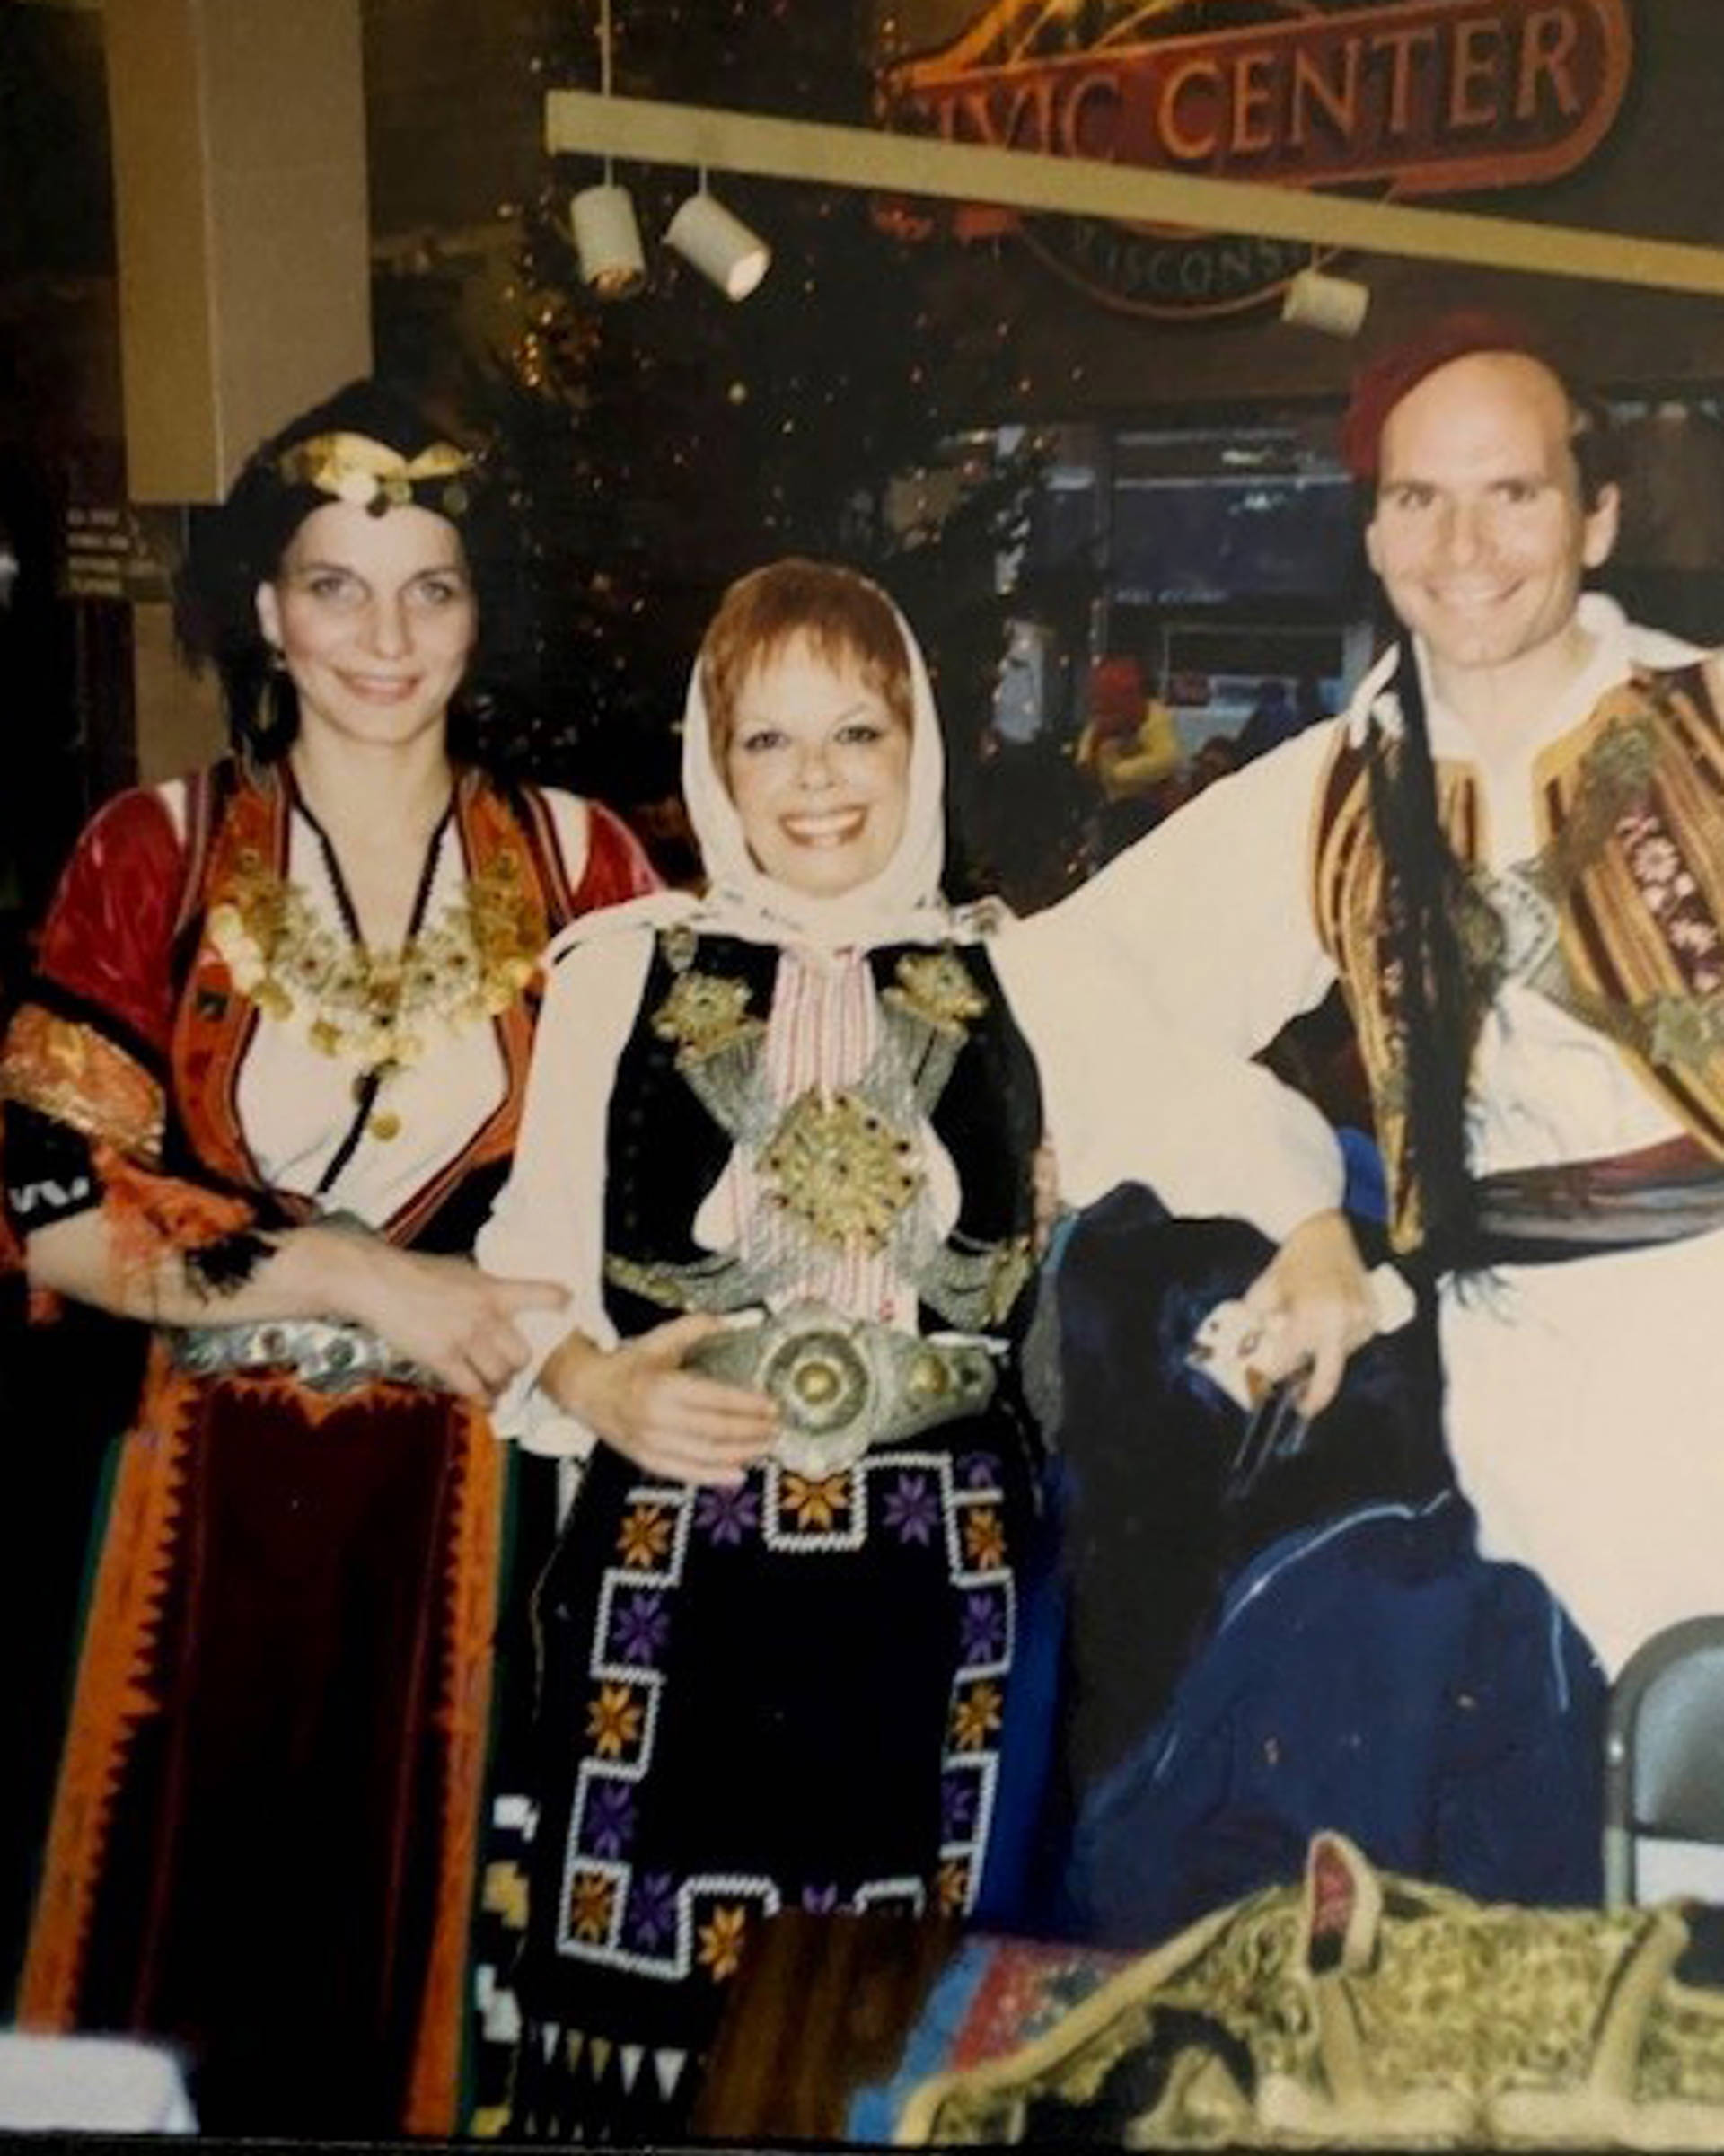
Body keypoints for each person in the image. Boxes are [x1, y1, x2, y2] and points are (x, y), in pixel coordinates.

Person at [467, 558, 1349, 2134]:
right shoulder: (619, 976)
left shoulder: (1017, 976)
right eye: (770, 741)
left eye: (856, 734)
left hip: (942, 1597)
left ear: (918, 743)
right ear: (713, 760)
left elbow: (1227, 1131)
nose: (816, 783)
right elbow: (528, 1268)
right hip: (675, 1588)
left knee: (905, 2040)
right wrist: (594, 1385)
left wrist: (1323, 1234)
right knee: (644, 2050)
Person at [0, 380, 658, 2134]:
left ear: (481, 610)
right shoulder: (154, 849)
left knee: (440, 2013)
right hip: (195, 1520)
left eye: (430, 585)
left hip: (487, 1512)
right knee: (162, 2009)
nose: (385, 634)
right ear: (270, 611)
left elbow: (664, 1201)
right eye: (338, 585)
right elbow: (55, 1212)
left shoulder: (592, 865)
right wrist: (361, 1273)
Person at [1050, 310, 1724, 1738]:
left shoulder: (1711, 726)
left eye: (1513, 493)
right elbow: (1073, 995)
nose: (1464, 546)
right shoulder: (1337, 788)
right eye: (1420, 497)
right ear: (1372, 533)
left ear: (1596, 518)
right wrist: (1296, 1208)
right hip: (1493, 1403)